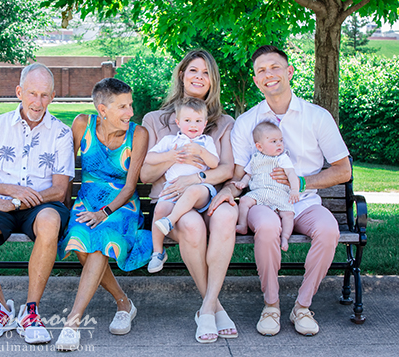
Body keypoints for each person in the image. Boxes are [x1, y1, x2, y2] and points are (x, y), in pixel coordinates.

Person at [211, 45, 351, 337]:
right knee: (266, 225)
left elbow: (342, 170)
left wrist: (302, 183)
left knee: (328, 230)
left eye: (275, 67)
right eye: (261, 70)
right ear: (255, 79)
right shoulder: (247, 122)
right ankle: (271, 305)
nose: (268, 74)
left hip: (304, 201)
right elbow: (239, 173)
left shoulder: (317, 116)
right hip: (263, 199)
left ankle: (302, 306)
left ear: (289, 72)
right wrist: (227, 189)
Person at [0, 63, 74, 344]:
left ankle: (31, 312)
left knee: (49, 222)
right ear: (19, 92)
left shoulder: (60, 133)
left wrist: (15, 202)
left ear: (53, 96)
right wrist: (11, 191)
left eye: (45, 95)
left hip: (41, 206)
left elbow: (59, 190)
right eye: (32, 93)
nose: (38, 102)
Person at [141, 49, 238, 344]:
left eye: (206, 73)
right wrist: (175, 155)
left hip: (209, 195)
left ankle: (207, 308)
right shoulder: (156, 120)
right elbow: (145, 175)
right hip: (170, 201)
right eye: (193, 70)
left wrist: (194, 177)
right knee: (193, 226)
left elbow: (227, 169)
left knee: (227, 216)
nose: (199, 77)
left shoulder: (223, 123)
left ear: (213, 81)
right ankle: (213, 308)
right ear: (182, 75)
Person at [55, 78, 152, 351]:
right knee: (80, 242)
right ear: (102, 109)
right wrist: (63, 206)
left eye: (130, 105)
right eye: (122, 106)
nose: (130, 112)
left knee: (99, 243)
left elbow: (131, 185)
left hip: (122, 207)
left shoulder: (138, 134)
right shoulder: (82, 124)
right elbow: (65, 168)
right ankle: (124, 302)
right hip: (85, 203)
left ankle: (72, 323)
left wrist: (104, 213)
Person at [145, 97, 219, 273]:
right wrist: (170, 156)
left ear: (205, 123)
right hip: (173, 188)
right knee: (160, 209)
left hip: (200, 189)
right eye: (187, 120)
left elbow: (215, 163)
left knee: (193, 191)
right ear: (178, 122)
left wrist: (201, 151)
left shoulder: (205, 142)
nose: (193, 125)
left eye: (198, 121)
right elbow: (149, 158)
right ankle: (157, 252)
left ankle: (170, 221)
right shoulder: (171, 142)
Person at [233, 121, 299, 252]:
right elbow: (248, 175)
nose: (279, 144)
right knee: (244, 200)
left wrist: (294, 190)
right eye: (273, 141)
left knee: (288, 214)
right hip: (260, 193)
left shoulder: (283, 158)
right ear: (259, 146)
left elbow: (291, 174)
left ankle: (285, 237)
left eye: (281, 140)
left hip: (279, 193)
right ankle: (243, 225)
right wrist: (242, 183)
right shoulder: (255, 158)